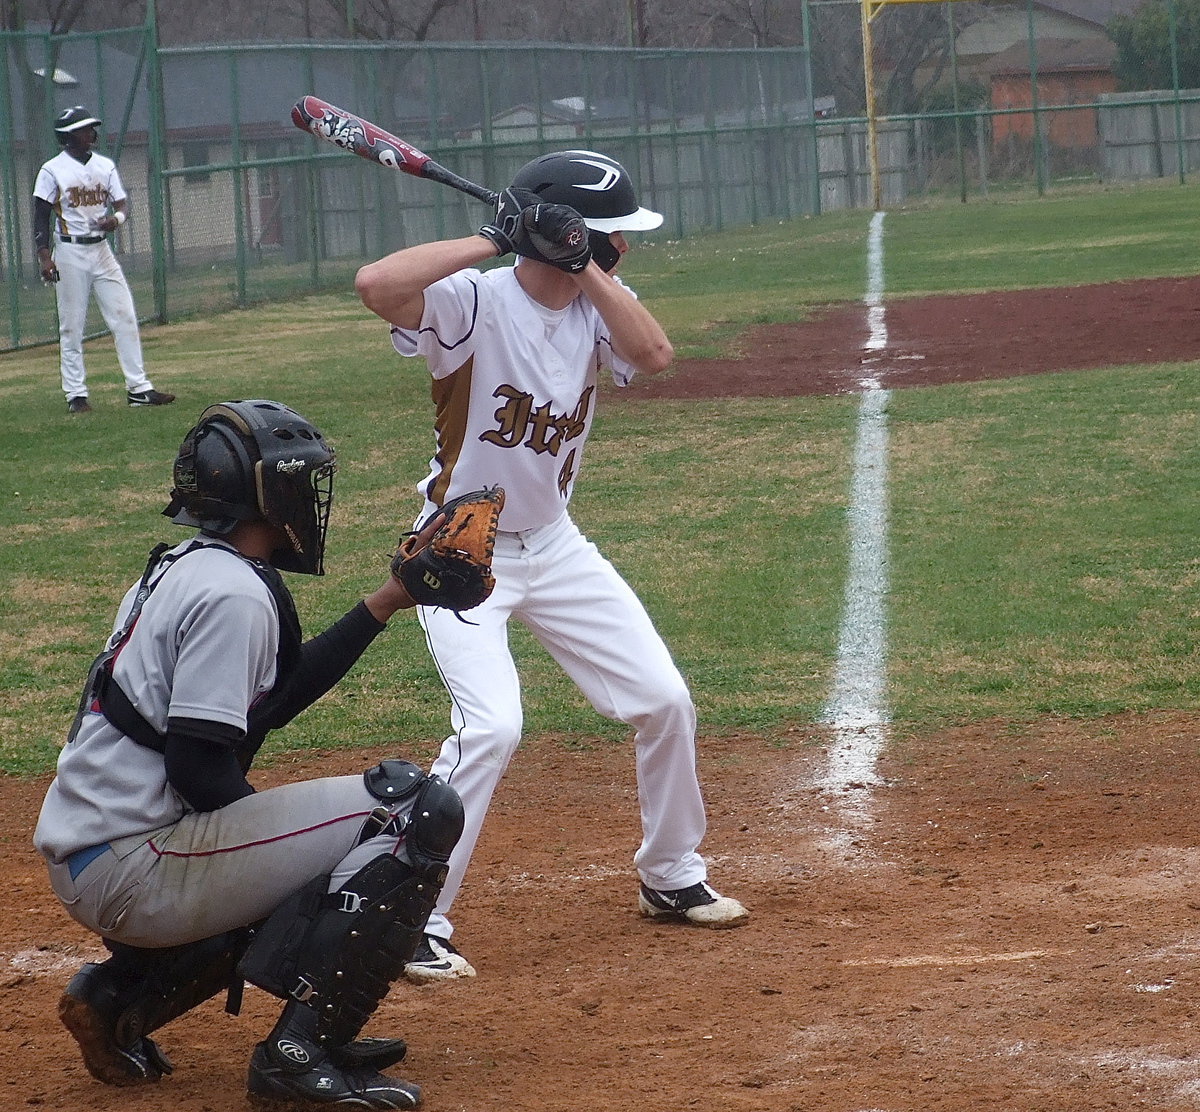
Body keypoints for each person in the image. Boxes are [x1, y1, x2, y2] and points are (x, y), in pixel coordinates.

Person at [355, 149, 749, 985]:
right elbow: (377, 284)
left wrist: (580, 263)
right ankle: (413, 917)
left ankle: (671, 876)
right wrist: (496, 237)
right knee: (493, 727)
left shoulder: (601, 307)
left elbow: (656, 353)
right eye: (611, 238)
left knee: (664, 700)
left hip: (557, 545)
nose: (622, 251)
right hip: (460, 551)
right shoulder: (472, 304)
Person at [33, 399, 465, 1108]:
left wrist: (388, 599)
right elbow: (197, 767)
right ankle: (298, 1054)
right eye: (302, 482)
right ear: (268, 493)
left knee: (313, 851)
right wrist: (290, 866)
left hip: (97, 852)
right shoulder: (234, 593)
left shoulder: (188, 567)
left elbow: (268, 702)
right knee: (410, 810)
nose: (311, 498)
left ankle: (117, 998)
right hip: (134, 866)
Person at [33, 105, 175, 414]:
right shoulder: (52, 170)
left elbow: (120, 202)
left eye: (92, 128)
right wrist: (45, 257)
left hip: (101, 250)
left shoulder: (104, 165)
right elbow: (40, 217)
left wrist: (118, 219)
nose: (92, 133)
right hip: (69, 251)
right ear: (69, 136)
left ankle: (138, 389)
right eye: (85, 129)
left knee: (124, 315)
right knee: (72, 325)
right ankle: (76, 395)